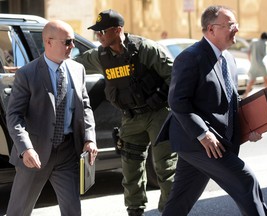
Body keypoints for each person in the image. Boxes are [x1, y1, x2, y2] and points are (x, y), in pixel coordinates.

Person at [156, 5, 267, 216]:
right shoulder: (190, 57)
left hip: (215, 140)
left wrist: (250, 127)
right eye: (230, 25)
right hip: (198, 142)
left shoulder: (229, 58)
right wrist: (203, 134)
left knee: (181, 198)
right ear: (211, 29)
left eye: (236, 24)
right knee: (246, 181)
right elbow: (178, 101)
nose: (236, 29)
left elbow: (231, 101)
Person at [75, 9, 177, 216]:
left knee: (165, 168)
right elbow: (71, 63)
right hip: (130, 118)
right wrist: (30, 67)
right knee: (130, 167)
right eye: (97, 32)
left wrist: (160, 98)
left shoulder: (146, 49)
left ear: (118, 30)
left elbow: (175, 76)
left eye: (102, 31)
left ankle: (171, 210)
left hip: (158, 114)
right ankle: (135, 210)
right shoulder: (100, 55)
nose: (98, 36)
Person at [6, 20, 98, 216]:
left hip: (67, 153)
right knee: (18, 211)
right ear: (48, 42)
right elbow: (14, 116)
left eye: (72, 41)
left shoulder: (77, 69)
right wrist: (26, 148)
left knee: (73, 211)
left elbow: (86, 107)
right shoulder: (27, 74)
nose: (72, 46)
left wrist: (90, 138)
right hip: (34, 155)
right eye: (68, 42)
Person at [242, 32, 267, 98]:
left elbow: (248, 52)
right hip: (262, 64)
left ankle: (245, 94)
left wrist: (251, 60)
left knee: (252, 80)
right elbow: (265, 54)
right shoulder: (265, 43)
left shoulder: (254, 41)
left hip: (254, 63)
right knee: (266, 80)